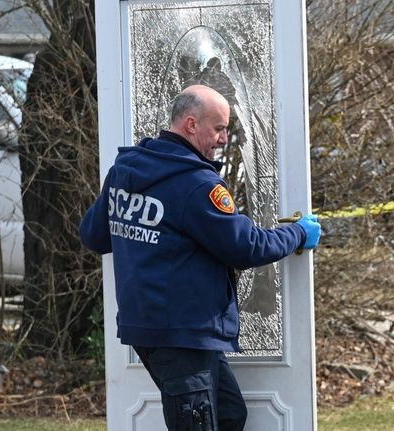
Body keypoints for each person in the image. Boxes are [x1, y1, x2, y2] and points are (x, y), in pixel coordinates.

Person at [79, 84, 321, 430]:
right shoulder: (195, 184)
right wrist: (297, 233)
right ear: (191, 124)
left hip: (157, 328)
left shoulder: (126, 171)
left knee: (230, 414)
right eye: (219, 128)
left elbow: (94, 235)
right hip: (180, 332)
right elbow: (246, 246)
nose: (224, 138)